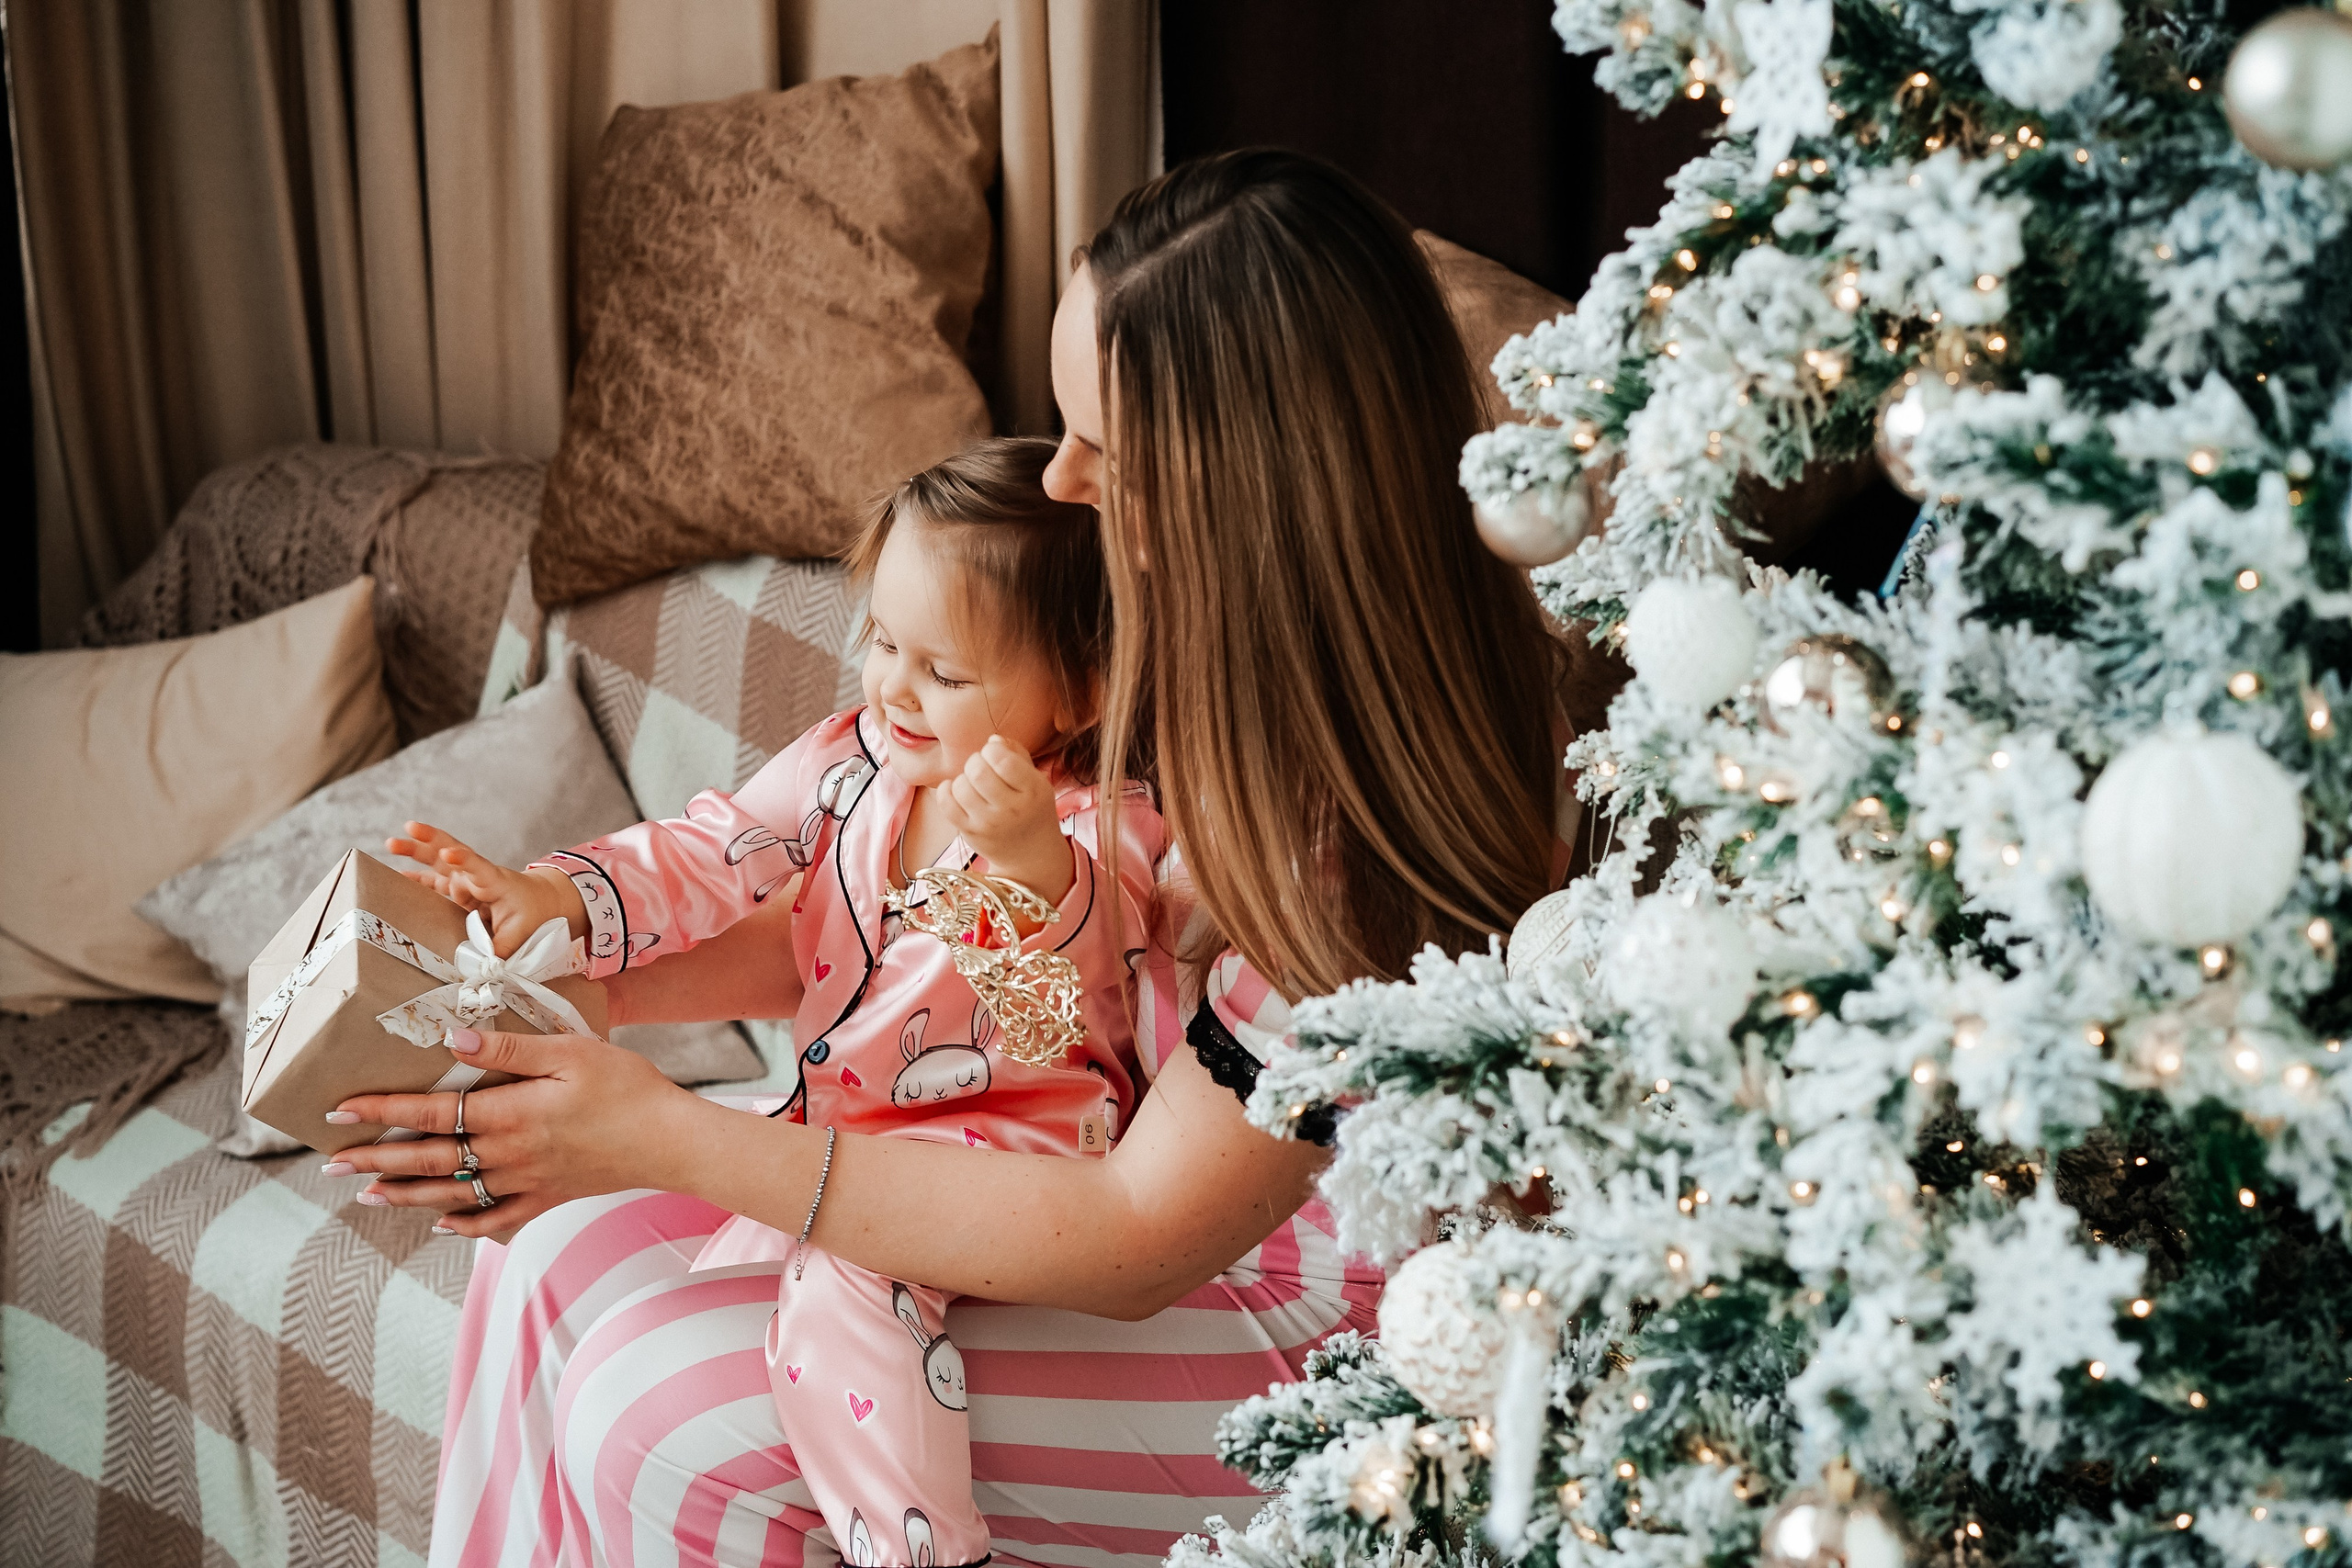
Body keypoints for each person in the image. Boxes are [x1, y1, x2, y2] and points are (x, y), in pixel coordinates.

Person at [331, 148, 1576, 1568]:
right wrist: (593, 999)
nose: (1061, 474)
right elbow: (912, 921)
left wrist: (660, 1126)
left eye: (1104, 442)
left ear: (1247, 480)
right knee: (546, 1256)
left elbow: (1138, 1231)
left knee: (661, 1412)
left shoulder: (1363, 813)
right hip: (1106, 1142)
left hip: (1336, 1319)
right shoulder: (1168, 633)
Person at [374, 438, 1160, 1566]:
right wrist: (551, 893)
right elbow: (710, 852)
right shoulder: (853, 763)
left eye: (946, 672)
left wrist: (1031, 870)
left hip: (1012, 1159)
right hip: (834, 1131)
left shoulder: (1100, 825)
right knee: (681, 1280)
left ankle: (922, 1550)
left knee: (841, 1300)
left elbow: (1064, 1011)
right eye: (883, 642)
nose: (894, 685)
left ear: (1076, 689)